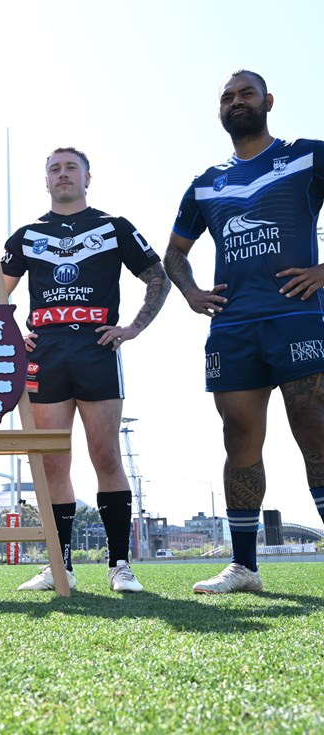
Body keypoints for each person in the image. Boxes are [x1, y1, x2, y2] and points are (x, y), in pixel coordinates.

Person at [164, 70, 324, 594]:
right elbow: (175, 256)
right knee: (239, 439)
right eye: (227, 98)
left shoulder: (307, 155)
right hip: (233, 328)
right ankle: (245, 567)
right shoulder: (206, 182)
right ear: (220, 112)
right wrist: (190, 293)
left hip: (298, 317)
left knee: (314, 425)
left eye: (245, 94)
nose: (236, 102)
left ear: (268, 101)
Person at [0, 147, 170, 592]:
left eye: (72, 167)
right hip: (45, 354)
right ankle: (60, 565)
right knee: (53, 461)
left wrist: (132, 328)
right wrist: (14, 335)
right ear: (45, 181)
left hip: (97, 349)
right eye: (55, 169)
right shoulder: (27, 235)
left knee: (106, 454)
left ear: (89, 177)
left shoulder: (114, 227)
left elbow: (157, 276)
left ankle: (119, 565)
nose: (63, 174)